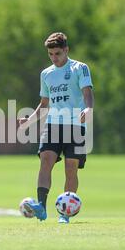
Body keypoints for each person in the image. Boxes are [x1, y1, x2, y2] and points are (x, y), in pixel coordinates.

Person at [18, 32, 94, 224]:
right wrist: (30, 120)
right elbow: (44, 103)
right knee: (45, 160)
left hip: (75, 125)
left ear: (66, 50)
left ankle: (65, 214)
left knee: (71, 168)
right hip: (53, 125)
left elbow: (87, 93)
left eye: (58, 53)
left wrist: (89, 109)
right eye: (51, 54)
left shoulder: (80, 68)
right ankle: (42, 208)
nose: (54, 58)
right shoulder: (46, 74)